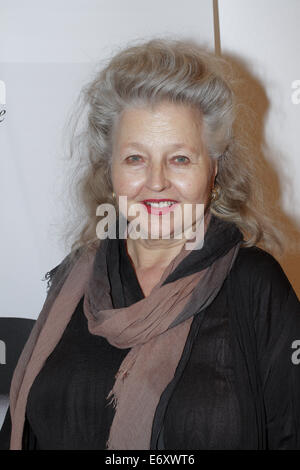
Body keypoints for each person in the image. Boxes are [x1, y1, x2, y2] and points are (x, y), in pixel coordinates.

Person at [1, 37, 299, 450]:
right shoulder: (75, 279)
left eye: (180, 158)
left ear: (214, 170)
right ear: (110, 171)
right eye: (135, 158)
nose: (156, 182)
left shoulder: (256, 284)